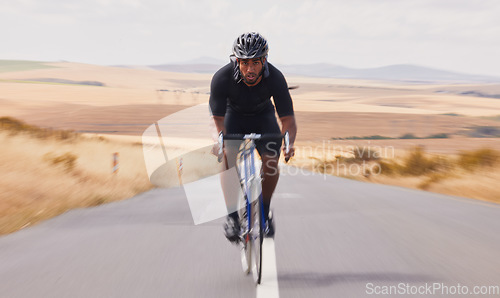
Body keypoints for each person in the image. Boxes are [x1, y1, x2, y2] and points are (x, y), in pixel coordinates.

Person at [209, 32, 297, 242]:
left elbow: (288, 120)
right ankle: (232, 217)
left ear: (264, 60)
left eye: (256, 63)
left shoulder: (275, 78)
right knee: (228, 158)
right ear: (237, 61)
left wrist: (289, 142)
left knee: (270, 161)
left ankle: (264, 212)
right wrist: (218, 141)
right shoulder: (222, 78)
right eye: (245, 63)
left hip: (263, 117)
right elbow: (217, 121)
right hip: (233, 117)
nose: (250, 69)